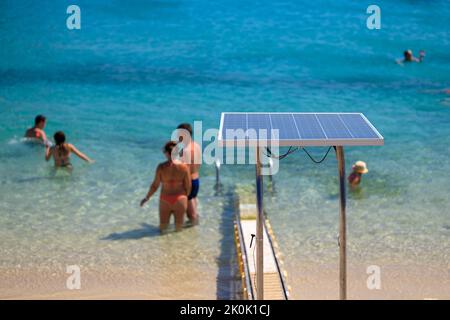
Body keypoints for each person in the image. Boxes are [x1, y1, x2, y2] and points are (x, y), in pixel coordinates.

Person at [140, 141, 191, 233]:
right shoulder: (184, 167)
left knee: (163, 230)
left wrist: (147, 197)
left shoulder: (161, 167)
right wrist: (185, 198)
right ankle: (180, 247)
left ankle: (164, 247)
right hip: (180, 199)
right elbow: (188, 185)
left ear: (167, 153)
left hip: (165, 199)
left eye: (164, 152)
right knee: (179, 230)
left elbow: (155, 186)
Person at [176, 123, 202, 225]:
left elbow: (184, 169)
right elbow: (198, 163)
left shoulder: (185, 150)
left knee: (191, 213)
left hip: (189, 181)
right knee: (193, 199)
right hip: (196, 178)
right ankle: (195, 227)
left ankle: (193, 231)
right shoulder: (197, 145)